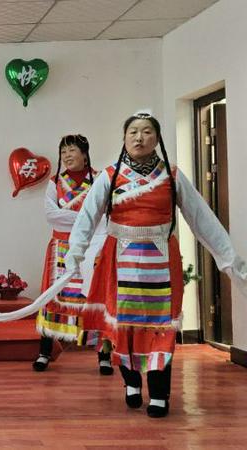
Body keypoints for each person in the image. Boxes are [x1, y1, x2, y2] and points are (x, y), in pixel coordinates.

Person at [65, 112, 247, 418]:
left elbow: (202, 219)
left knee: (161, 328)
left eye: (147, 132)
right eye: (133, 132)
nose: (139, 137)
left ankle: (160, 393)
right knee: (124, 327)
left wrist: (230, 260)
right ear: (124, 138)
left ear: (157, 138)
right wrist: (75, 253)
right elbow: (86, 218)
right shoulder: (109, 176)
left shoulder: (172, 177)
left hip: (161, 260)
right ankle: (132, 383)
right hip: (118, 262)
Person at [33, 134, 112, 374]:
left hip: (93, 246)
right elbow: (51, 215)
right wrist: (88, 218)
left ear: (85, 154)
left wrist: (83, 220)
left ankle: (104, 355)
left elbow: (105, 214)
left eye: (72, 150)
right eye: (63, 152)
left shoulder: (101, 180)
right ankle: (45, 352)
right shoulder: (54, 182)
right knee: (53, 297)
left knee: (95, 298)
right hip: (60, 247)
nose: (67, 156)